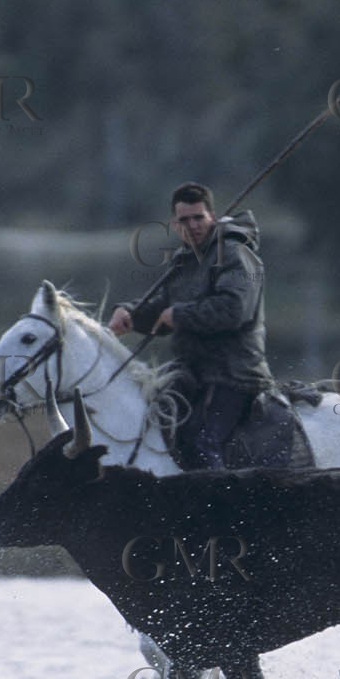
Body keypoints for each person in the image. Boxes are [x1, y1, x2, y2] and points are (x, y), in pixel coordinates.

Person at [108, 182, 272, 469]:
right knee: (151, 430)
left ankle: (220, 511)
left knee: (202, 443)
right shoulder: (186, 261)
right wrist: (131, 313)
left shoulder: (237, 254)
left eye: (199, 218)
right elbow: (163, 306)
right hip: (193, 373)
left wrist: (181, 315)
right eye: (185, 220)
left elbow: (235, 309)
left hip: (234, 375)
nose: (192, 225)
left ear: (213, 216)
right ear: (175, 224)